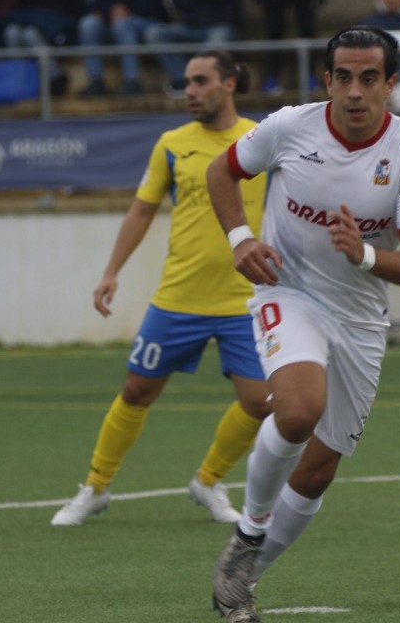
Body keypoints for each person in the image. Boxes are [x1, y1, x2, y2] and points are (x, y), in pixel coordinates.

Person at [207, 26, 400, 623]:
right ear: (326, 79)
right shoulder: (290, 126)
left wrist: (363, 254)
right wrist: (241, 240)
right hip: (288, 290)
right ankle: (248, 531)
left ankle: (242, 582)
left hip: (362, 317)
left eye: (370, 78)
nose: (355, 91)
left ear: (391, 84)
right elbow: (221, 173)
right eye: (343, 76)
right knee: (297, 411)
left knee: (317, 471)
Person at [51, 51, 271, 527]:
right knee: (136, 390)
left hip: (245, 299)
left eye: (200, 81)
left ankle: (209, 480)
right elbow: (141, 210)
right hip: (179, 297)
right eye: (185, 82)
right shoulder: (172, 143)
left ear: (229, 84)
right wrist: (111, 271)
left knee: (261, 401)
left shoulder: (261, 140)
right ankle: (95, 486)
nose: (189, 91)